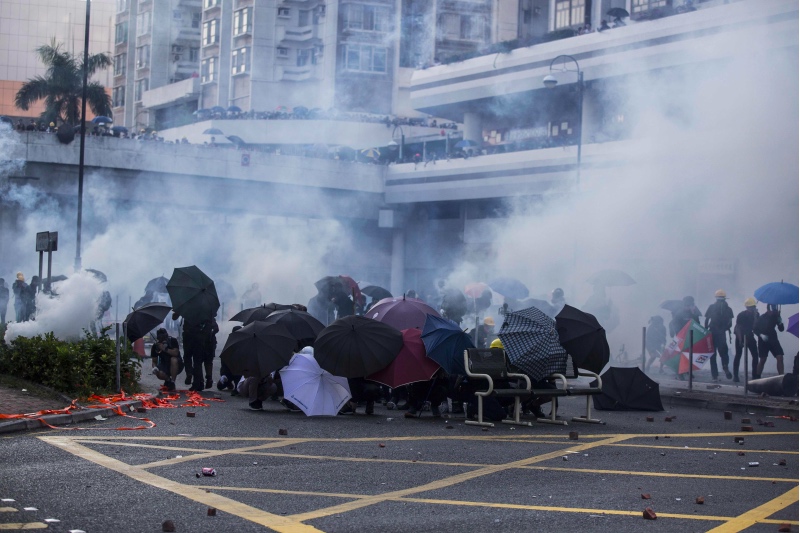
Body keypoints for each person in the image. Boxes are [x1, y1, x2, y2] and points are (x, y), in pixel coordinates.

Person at [704, 289, 734, 380]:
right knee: (724, 353)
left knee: (713, 355)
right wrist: (725, 328)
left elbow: (706, 320)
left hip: (712, 332)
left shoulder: (711, 307)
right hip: (722, 334)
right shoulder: (728, 309)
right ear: (725, 298)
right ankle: (725, 366)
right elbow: (730, 323)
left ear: (716, 298)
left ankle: (714, 375)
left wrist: (706, 330)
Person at [754, 304, 785, 378]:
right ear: (768, 310)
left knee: (780, 357)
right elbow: (755, 329)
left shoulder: (776, 316)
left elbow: (781, 329)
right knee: (762, 360)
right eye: (773, 309)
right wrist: (761, 335)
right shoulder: (762, 318)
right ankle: (757, 377)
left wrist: (780, 322)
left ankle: (781, 377)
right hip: (763, 341)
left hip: (773, 339)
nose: (774, 311)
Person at [733, 298, 759, 383]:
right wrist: (740, 340)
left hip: (750, 336)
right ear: (747, 307)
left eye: (753, 307)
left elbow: (755, 327)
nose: (752, 309)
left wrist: (755, 317)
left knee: (755, 355)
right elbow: (738, 328)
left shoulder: (756, 314)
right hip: (740, 336)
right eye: (751, 307)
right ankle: (735, 376)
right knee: (738, 355)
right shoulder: (741, 315)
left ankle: (754, 375)